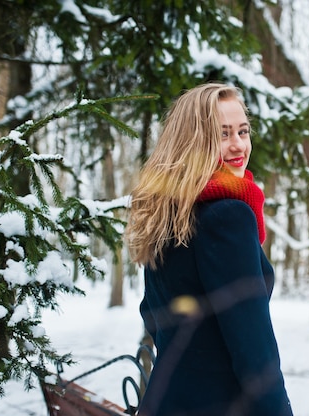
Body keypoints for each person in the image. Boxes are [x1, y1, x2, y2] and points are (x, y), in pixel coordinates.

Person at [126, 83, 293, 416]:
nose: (238, 146)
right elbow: (254, 350)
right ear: (195, 141)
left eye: (243, 132)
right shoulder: (228, 215)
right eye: (223, 134)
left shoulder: (166, 215)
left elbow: (153, 316)